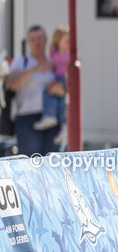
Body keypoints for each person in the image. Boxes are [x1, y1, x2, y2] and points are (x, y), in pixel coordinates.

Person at [5, 25, 63, 156]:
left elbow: (66, 87)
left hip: (53, 118)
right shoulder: (22, 61)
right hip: (28, 119)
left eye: (40, 39)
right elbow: (13, 84)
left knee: (51, 164)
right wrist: (34, 70)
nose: (37, 42)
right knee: (30, 163)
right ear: (28, 42)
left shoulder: (53, 62)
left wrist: (61, 91)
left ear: (46, 40)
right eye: (33, 39)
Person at [35, 27, 70, 146]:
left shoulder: (71, 55)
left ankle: (65, 127)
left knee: (64, 104)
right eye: (66, 41)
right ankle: (50, 115)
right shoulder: (54, 55)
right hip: (58, 79)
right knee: (49, 93)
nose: (68, 44)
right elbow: (50, 66)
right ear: (57, 42)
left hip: (66, 80)